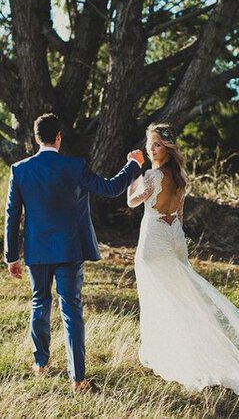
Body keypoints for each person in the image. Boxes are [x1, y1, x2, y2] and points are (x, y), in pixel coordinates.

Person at [127, 123, 239, 419]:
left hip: (154, 241)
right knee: (184, 299)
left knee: (158, 299)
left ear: (166, 149)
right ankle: (191, 349)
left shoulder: (152, 175)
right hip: (175, 237)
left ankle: (169, 354)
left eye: (156, 145)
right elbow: (179, 214)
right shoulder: (180, 177)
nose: (151, 149)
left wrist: (133, 170)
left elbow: (132, 202)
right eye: (149, 144)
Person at [4, 113, 144, 392]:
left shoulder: (20, 169)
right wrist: (133, 165)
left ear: (36, 138)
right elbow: (110, 188)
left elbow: (12, 215)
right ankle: (78, 378)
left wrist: (11, 256)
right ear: (59, 137)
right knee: (71, 311)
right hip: (69, 249)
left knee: (39, 303)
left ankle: (41, 363)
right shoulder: (74, 166)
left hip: (37, 251)